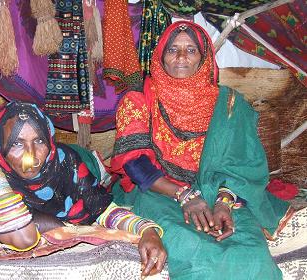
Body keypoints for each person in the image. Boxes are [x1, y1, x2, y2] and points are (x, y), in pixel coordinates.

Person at [110, 20, 302, 279]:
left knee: (249, 250)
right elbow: (135, 163)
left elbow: (242, 163)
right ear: (160, 56)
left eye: (191, 50)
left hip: (221, 191)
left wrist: (224, 203)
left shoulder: (230, 104)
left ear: (204, 58)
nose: (180, 57)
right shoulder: (139, 99)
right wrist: (186, 196)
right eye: (172, 49)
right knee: (194, 248)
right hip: (158, 191)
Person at [0, 101, 167, 277]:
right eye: (17, 144)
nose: (31, 156)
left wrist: (147, 232)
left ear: (50, 140)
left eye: (38, 141)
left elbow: (103, 209)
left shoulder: (66, 162)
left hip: (73, 159)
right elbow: (22, 239)